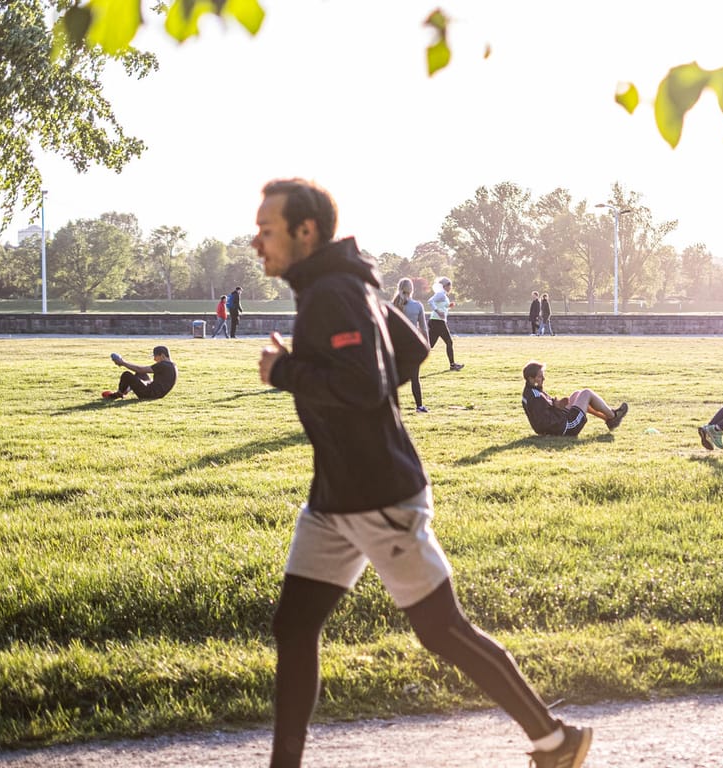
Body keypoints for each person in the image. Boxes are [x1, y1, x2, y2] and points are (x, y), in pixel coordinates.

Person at [250, 179, 590, 768]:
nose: (256, 242)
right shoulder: (344, 286)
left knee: (443, 630)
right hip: (334, 498)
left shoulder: (333, 292)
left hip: (379, 494)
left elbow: (362, 384)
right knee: (295, 624)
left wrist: (286, 372)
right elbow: (412, 350)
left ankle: (556, 740)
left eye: (267, 229)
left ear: (305, 232)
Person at [521, 361, 628, 436]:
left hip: (557, 422)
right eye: (540, 376)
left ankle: (608, 419)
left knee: (577, 394)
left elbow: (543, 411)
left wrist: (555, 404)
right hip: (565, 427)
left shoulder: (531, 391)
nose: (543, 378)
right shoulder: (536, 396)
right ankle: (613, 416)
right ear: (531, 378)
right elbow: (543, 420)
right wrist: (555, 408)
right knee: (586, 393)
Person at [393, 277, 431, 413]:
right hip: (410, 345)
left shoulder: (393, 305)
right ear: (411, 289)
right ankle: (419, 406)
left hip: (395, 345)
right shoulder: (417, 306)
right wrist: (428, 344)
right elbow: (424, 328)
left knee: (391, 377)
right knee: (415, 377)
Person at [101, 345, 177, 400]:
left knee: (126, 375)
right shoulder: (172, 365)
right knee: (141, 374)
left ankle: (119, 394)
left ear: (162, 355)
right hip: (156, 392)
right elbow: (141, 371)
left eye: (155, 356)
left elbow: (139, 369)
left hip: (149, 394)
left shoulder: (163, 365)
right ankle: (128, 388)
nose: (154, 359)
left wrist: (123, 363)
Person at [427, 276, 464, 371]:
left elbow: (441, 306)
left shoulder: (443, 295)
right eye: (450, 286)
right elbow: (430, 301)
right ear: (445, 286)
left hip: (436, 321)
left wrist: (448, 306)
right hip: (437, 321)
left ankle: (411, 360)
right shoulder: (441, 294)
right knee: (449, 342)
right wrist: (438, 311)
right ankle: (452, 365)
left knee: (429, 345)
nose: (451, 288)